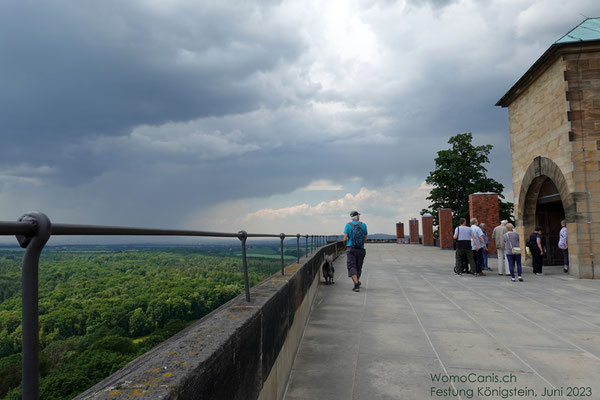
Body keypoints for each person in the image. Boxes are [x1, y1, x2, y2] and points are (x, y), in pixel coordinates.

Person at [344, 211, 368, 292]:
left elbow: (344, 238)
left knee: (352, 266)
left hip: (351, 248)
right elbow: (365, 238)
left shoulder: (348, 225)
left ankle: (356, 284)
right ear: (357, 216)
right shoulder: (363, 225)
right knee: (359, 266)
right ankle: (357, 282)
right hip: (360, 249)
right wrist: (360, 243)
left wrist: (347, 244)